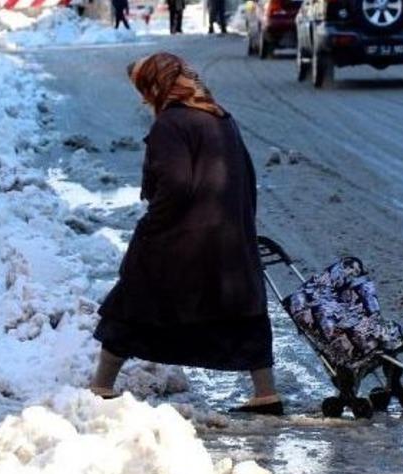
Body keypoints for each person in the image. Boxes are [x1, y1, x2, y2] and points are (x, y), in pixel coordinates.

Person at [90, 52, 283, 416]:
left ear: (157, 85)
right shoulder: (220, 116)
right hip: (227, 238)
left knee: (132, 300)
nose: (144, 98)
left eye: (144, 89)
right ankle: (266, 393)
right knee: (243, 313)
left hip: (182, 239)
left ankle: (101, 385)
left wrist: (153, 226)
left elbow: (175, 184)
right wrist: (241, 226)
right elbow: (247, 178)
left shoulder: (172, 124)